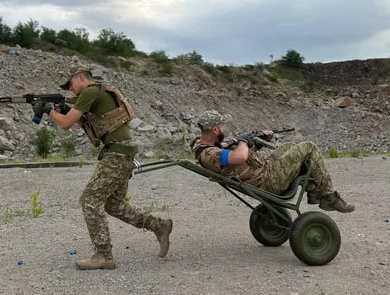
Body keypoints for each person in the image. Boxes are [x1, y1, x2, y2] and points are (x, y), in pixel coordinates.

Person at [41, 63, 173, 270]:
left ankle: (103, 255)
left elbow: (65, 124)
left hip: (117, 154)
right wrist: (62, 111)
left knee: (90, 200)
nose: (70, 88)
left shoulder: (91, 90)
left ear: (81, 78)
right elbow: (80, 120)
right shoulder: (98, 92)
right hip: (122, 152)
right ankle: (159, 225)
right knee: (113, 205)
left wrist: (49, 112)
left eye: (71, 83)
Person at [191, 110, 355, 213]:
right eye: (222, 126)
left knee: (289, 146)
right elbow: (239, 157)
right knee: (309, 147)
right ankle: (328, 196)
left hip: (264, 170)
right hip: (267, 180)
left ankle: (314, 191)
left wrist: (256, 140)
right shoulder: (210, 154)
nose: (224, 129)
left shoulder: (208, 146)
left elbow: (240, 162)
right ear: (215, 130)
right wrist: (243, 141)